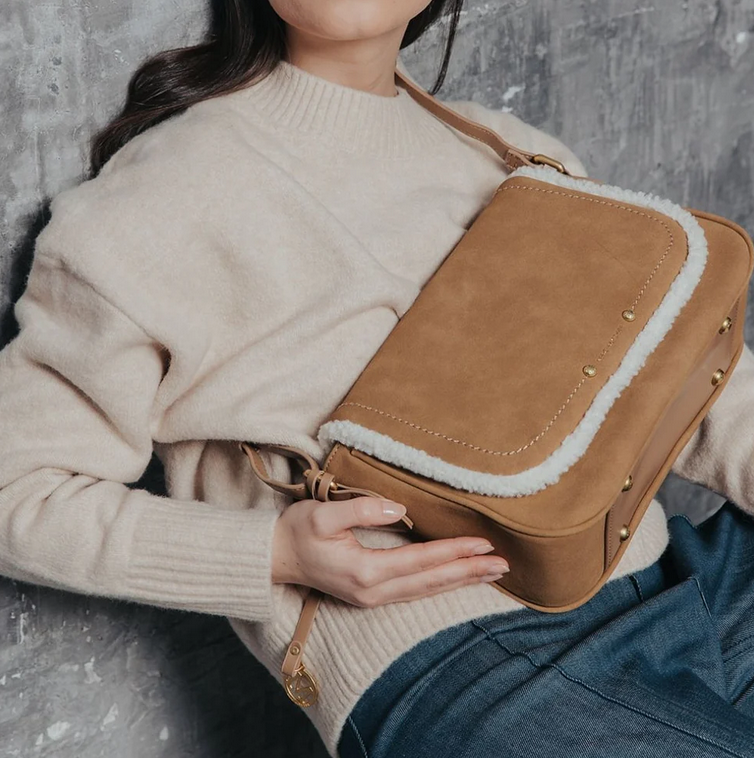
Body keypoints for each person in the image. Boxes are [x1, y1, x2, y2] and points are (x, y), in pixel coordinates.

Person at [1, 1, 753, 756]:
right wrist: (275, 555)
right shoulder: (157, 197)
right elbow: (17, 489)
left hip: (683, 586)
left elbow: (696, 385)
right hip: (467, 662)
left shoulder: (519, 157)